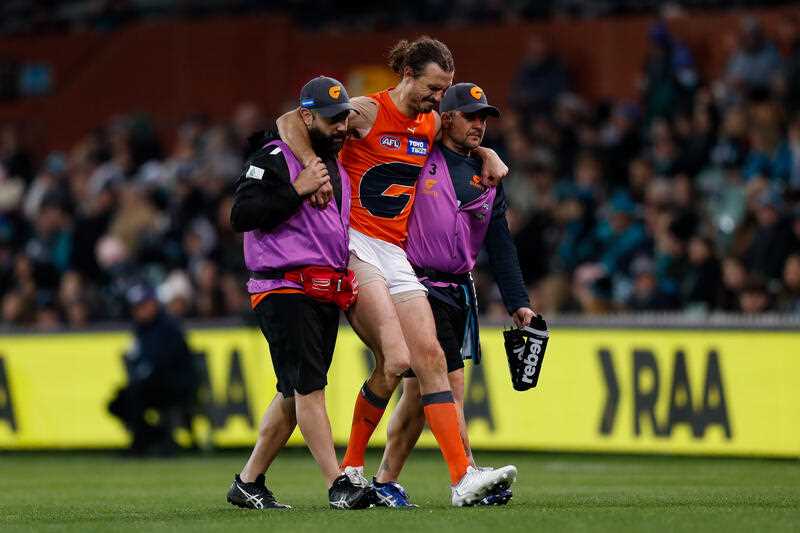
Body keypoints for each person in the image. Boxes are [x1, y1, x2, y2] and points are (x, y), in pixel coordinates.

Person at [277, 36, 516, 507]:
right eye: (432, 86)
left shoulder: (430, 123)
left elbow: (458, 147)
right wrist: (310, 166)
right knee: (397, 359)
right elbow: (289, 120)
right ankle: (351, 471)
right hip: (353, 245)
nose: (438, 96)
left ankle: (461, 477)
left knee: (428, 357)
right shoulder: (365, 110)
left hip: (395, 251)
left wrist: (488, 154)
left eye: (444, 87)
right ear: (407, 75)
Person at [373, 83, 535, 506]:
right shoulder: (419, 155)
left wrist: (519, 301)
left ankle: (384, 480)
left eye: (484, 118)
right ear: (447, 119)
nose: (480, 125)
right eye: (472, 116)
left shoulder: (487, 175)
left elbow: (500, 243)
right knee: (450, 383)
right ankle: (467, 477)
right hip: (414, 285)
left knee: (418, 396)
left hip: (457, 292)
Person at [226, 76, 371, 510]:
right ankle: (338, 484)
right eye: (331, 120)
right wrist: (296, 190)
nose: (340, 126)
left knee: (293, 392)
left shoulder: (335, 162)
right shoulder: (274, 156)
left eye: (343, 117)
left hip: (322, 290)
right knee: (310, 388)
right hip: (284, 287)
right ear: (306, 117)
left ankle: (248, 483)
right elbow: (241, 214)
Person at [108, 283, 197, 456]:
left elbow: (168, 362)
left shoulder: (168, 327)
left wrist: (143, 374)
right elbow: (135, 357)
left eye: (143, 306)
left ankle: (142, 443)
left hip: (174, 384)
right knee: (117, 403)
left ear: (153, 304)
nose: (139, 311)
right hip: (151, 384)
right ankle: (154, 436)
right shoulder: (140, 328)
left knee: (135, 396)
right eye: (136, 308)